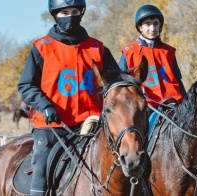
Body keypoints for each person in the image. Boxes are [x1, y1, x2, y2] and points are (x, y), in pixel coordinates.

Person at [118, 4, 197, 190]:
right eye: (147, 24)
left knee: (196, 133)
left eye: (155, 23)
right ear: (139, 27)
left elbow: (176, 79)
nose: (152, 28)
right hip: (149, 106)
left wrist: (188, 104)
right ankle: (139, 173)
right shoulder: (128, 51)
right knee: (142, 134)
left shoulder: (169, 51)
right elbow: (122, 86)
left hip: (174, 104)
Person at [17, 0, 120, 195]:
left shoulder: (98, 48)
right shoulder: (41, 47)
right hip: (53, 125)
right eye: (64, 12)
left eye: (74, 11)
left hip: (93, 123)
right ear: (55, 15)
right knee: (41, 162)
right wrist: (44, 105)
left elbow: (115, 83)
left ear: (81, 13)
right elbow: (26, 85)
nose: (70, 17)